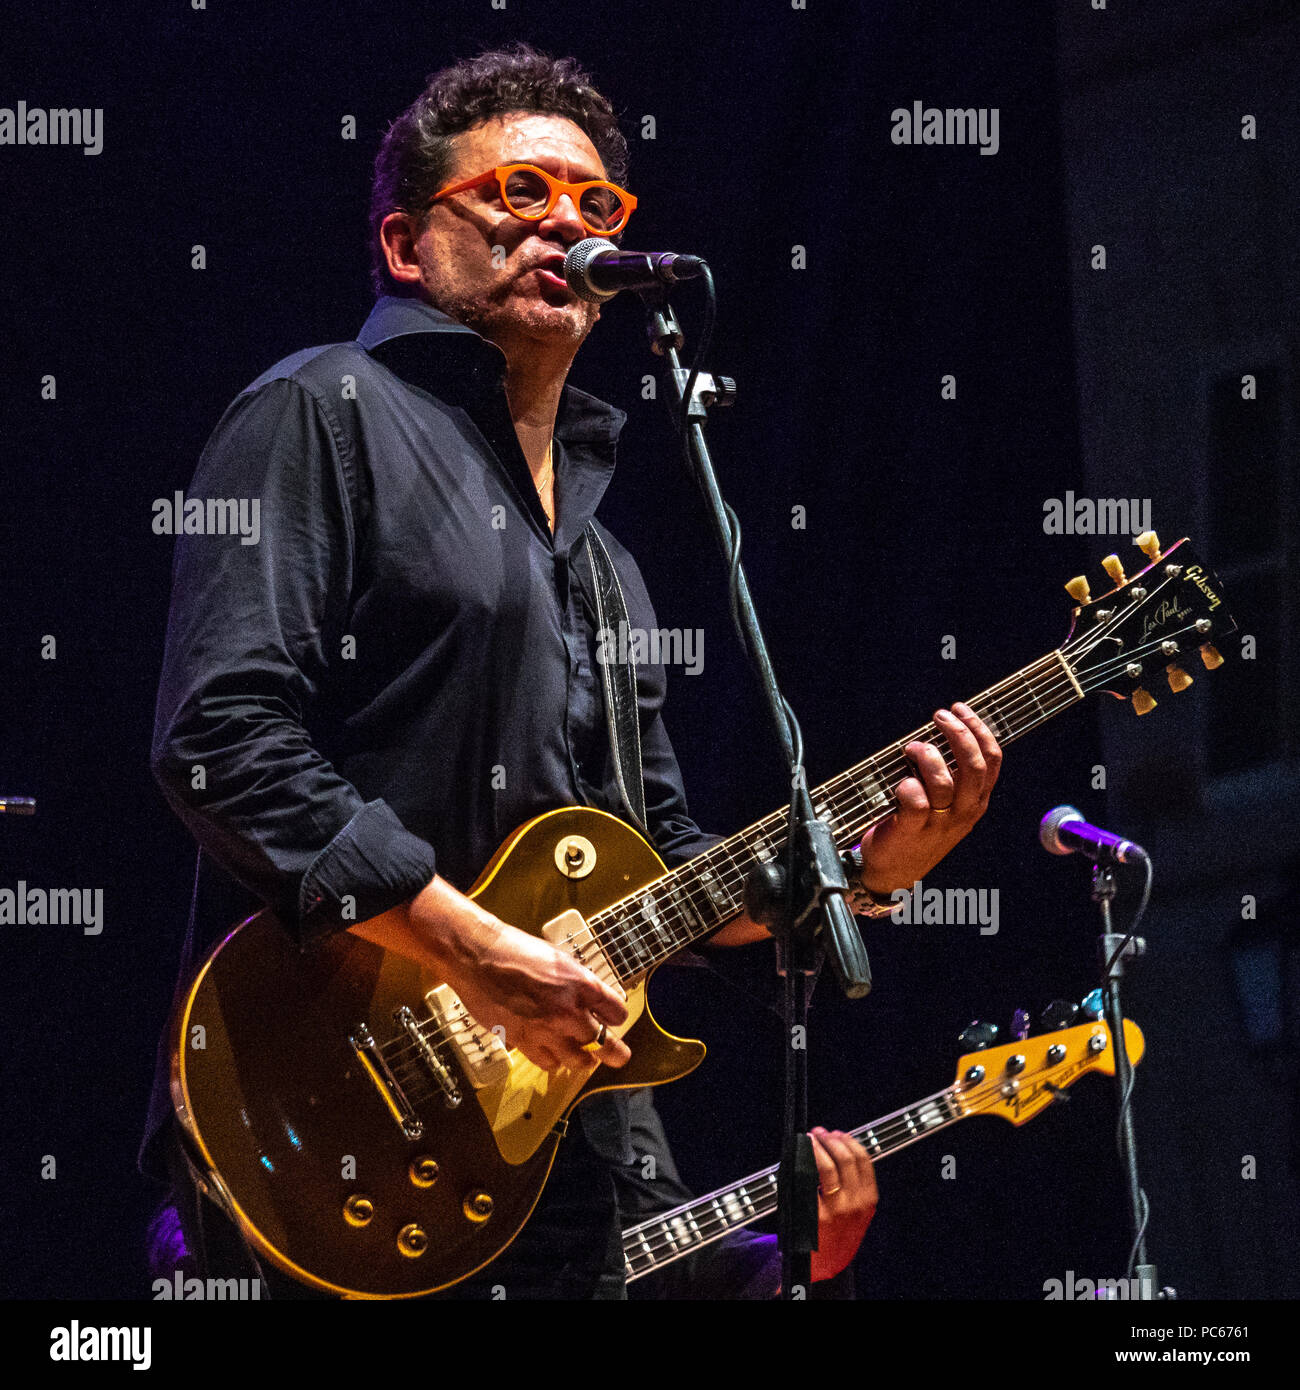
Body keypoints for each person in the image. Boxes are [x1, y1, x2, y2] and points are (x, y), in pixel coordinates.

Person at [142, 43, 1001, 1300]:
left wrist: (862, 873)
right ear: (403, 245)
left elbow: (660, 863)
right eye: (518, 193)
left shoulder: (602, 564)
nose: (565, 225)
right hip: (320, 1117)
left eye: (596, 205)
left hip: (568, 1165)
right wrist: (474, 949)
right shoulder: (320, 410)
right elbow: (218, 737)